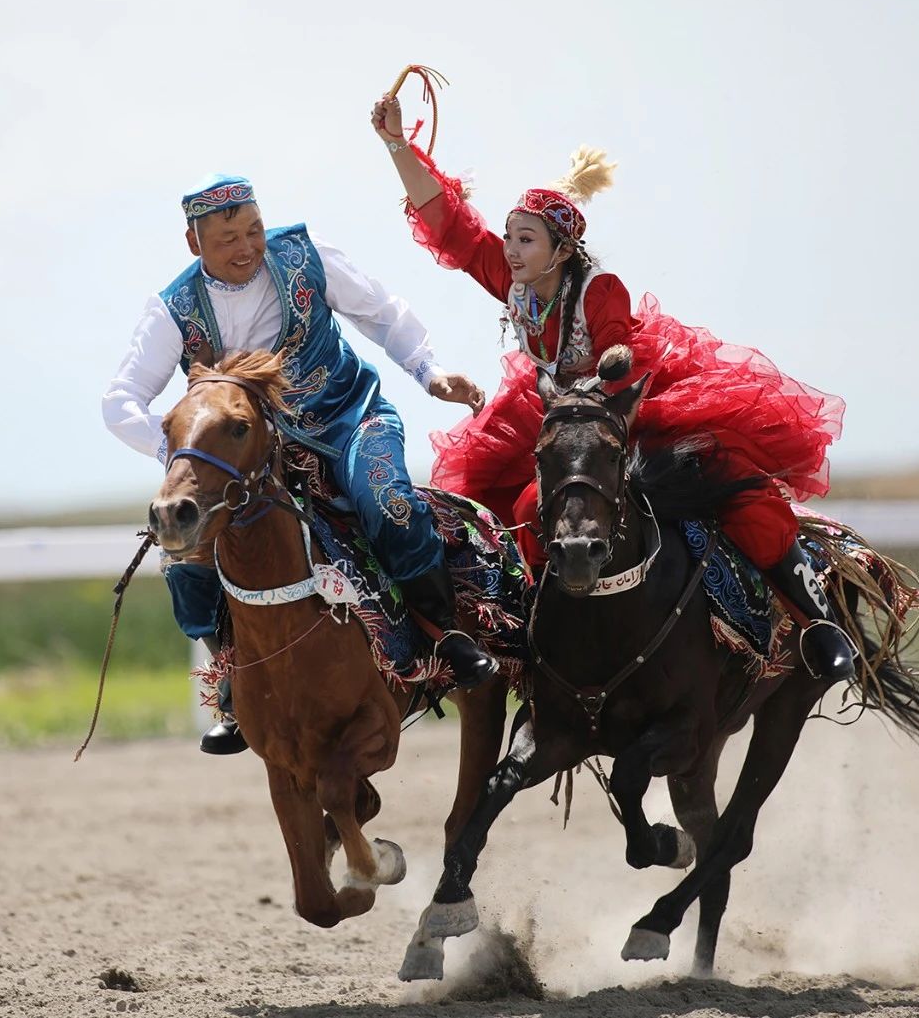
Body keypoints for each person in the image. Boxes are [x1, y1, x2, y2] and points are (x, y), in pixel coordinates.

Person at [370, 96, 857, 683]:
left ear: (561, 248)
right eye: (509, 237)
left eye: (525, 240)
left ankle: (816, 619)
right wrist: (397, 145)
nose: (510, 250)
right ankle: (517, 635)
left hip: (631, 404)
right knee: (500, 503)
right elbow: (452, 224)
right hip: (558, 407)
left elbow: (618, 363)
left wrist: (603, 383)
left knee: (726, 477)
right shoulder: (513, 278)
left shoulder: (601, 291)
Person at [102, 174, 497, 754]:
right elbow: (120, 402)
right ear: (195, 244)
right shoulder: (173, 309)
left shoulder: (305, 256)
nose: (246, 248)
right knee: (183, 555)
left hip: (350, 419)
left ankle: (446, 638)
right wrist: (182, 455)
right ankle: (233, 683)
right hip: (253, 459)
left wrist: (431, 373)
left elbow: (382, 313)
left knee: (384, 500)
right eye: (228, 238)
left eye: (254, 230)